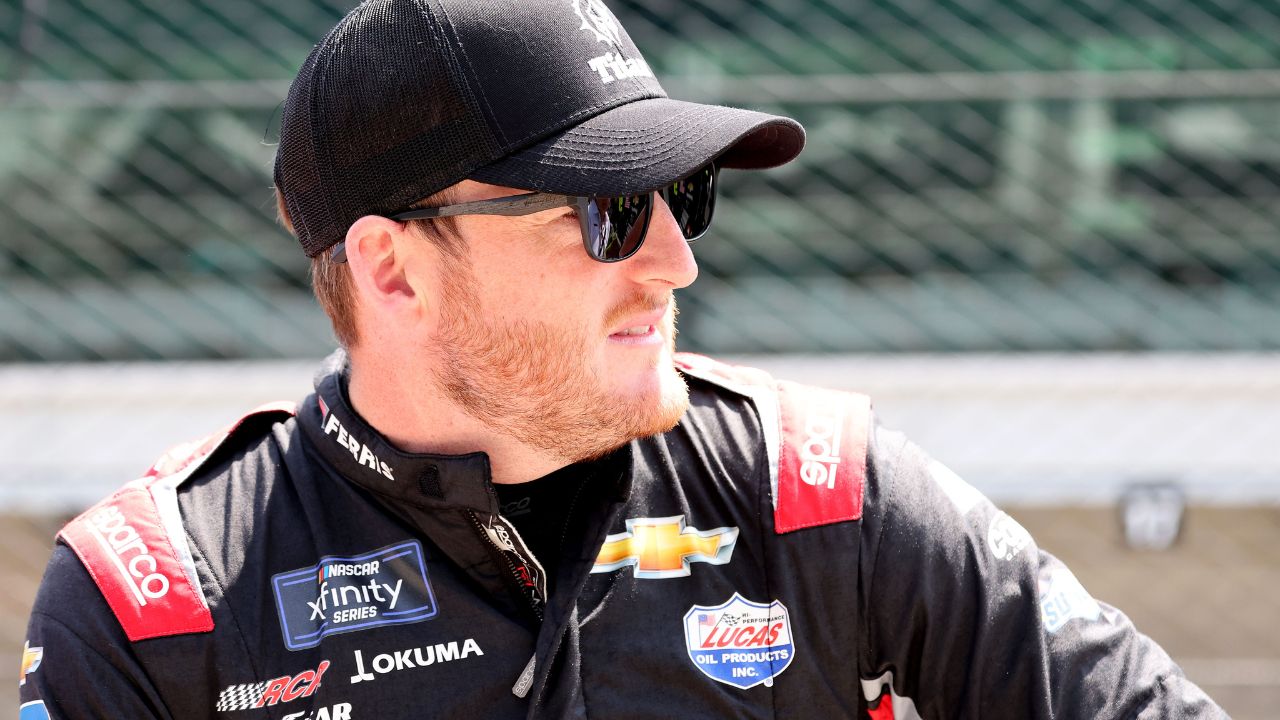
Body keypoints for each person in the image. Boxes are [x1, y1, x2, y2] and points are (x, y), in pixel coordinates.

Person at [20, 1, 1226, 718]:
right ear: (393, 271)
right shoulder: (154, 596)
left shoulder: (824, 496)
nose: (671, 262)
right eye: (600, 212)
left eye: (676, 197)